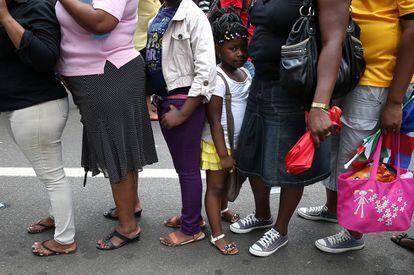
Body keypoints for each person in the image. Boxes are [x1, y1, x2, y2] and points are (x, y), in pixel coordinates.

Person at [229, 0, 351, 257]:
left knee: (290, 164)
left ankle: (280, 229)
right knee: (253, 153)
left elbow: (334, 40)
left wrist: (319, 105)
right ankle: (262, 215)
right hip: (262, 79)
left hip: (293, 88)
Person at [298, 0, 414, 254]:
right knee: (336, 149)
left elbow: (412, 32)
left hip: (377, 80)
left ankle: (353, 231)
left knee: (356, 159)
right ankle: (332, 209)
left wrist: (394, 101)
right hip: (347, 71)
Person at [55, 0, 158, 251]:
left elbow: (102, 22)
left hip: (107, 73)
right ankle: (130, 206)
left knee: (115, 148)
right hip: (100, 73)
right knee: (122, 146)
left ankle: (128, 227)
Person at [0, 0, 76, 256]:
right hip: (21, 106)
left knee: (53, 176)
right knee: (47, 173)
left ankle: (65, 240)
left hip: (38, 106)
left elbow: (46, 57)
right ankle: (57, 217)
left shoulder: (35, 8)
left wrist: (4, 16)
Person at [145, 0, 216, 246]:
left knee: (187, 169)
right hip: (168, 98)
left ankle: (191, 228)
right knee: (184, 168)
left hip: (184, 101)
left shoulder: (193, 16)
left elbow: (206, 71)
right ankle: (192, 216)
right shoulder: (162, 12)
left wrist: (184, 113)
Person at [102, 0, 161, 221]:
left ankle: (128, 214)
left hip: (123, 55)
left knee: (119, 142)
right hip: (131, 50)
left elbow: (100, 23)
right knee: (127, 140)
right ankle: (131, 203)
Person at [202, 9, 251, 255]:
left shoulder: (244, 73)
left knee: (225, 184)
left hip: (235, 143)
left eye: (243, 47)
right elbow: (214, 121)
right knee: (216, 188)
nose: (240, 54)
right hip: (218, 145)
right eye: (233, 48)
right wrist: (223, 155)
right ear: (218, 49)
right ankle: (217, 235)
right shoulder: (218, 77)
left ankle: (222, 212)